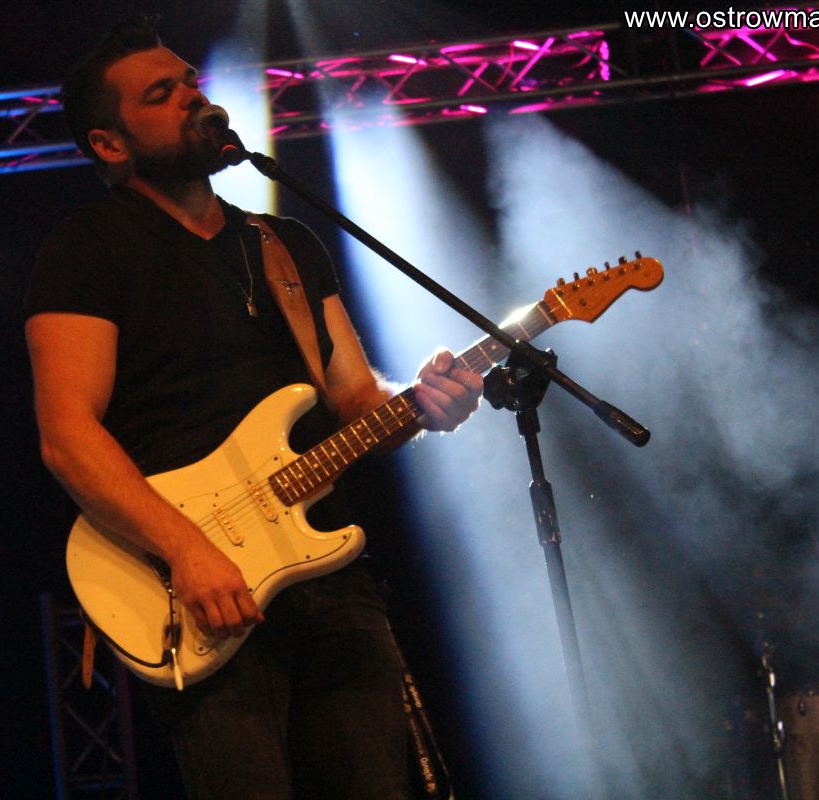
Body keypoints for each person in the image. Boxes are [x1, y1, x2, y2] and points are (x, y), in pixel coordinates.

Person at [24, 17, 484, 799]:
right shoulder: (87, 249)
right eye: (161, 95)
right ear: (108, 143)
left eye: (191, 83)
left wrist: (424, 402)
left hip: (331, 576)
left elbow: (355, 401)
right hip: (198, 588)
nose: (192, 99)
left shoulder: (285, 244)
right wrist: (186, 551)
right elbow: (68, 437)